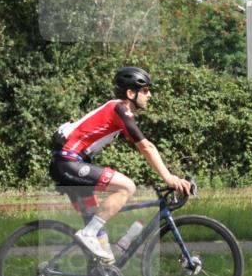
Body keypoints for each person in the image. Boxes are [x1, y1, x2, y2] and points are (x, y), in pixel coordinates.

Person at [49, 66, 193, 264]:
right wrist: (169, 178)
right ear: (130, 93)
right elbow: (146, 147)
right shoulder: (118, 109)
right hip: (68, 161)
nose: (149, 95)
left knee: (99, 238)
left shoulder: (120, 111)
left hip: (69, 162)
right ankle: (88, 234)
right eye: (145, 90)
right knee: (127, 187)